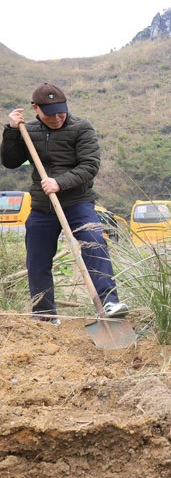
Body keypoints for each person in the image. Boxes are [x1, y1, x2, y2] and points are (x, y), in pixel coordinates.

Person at [1, 83, 129, 324]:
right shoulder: (27, 130)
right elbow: (10, 161)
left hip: (77, 202)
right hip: (42, 205)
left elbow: (90, 166)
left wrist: (59, 183)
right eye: (50, 114)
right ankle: (45, 315)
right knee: (37, 260)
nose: (58, 118)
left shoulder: (81, 128)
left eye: (61, 111)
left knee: (95, 244)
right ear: (35, 108)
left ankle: (109, 302)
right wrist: (10, 130)